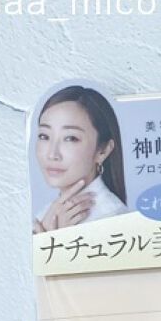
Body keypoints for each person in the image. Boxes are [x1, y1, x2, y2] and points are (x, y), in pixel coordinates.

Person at [33, 86, 127, 231]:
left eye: (71, 138)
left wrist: (56, 240)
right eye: (44, 136)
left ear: (103, 150)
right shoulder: (47, 214)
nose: (52, 154)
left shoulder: (112, 218)